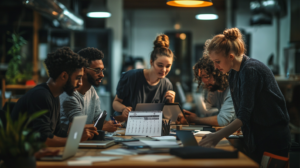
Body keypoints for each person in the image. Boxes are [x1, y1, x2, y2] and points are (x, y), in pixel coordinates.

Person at [198, 28, 291, 164]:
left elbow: (244, 116)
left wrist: (216, 136)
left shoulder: (250, 70)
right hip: (256, 137)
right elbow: (242, 112)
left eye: (217, 61)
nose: (216, 66)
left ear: (230, 56)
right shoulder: (234, 73)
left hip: (272, 138)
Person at [11, 47, 98, 147]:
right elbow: (44, 139)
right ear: (64, 76)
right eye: (78, 78)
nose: (81, 83)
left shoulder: (54, 95)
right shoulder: (40, 96)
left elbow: (57, 132)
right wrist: (76, 140)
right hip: (22, 159)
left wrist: (78, 133)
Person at [113, 34, 176, 121]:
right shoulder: (131, 77)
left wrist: (171, 103)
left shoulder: (167, 84)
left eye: (168, 66)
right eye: (160, 65)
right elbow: (115, 102)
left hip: (151, 127)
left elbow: (168, 118)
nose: (164, 70)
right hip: (126, 126)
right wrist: (124, 109)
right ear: (151, 62)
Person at [60, 47, 121, 133]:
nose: (102, 75)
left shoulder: (91, 90)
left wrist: (113, 123)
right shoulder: (70, 94)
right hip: (69, 143)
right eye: (97, 70)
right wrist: (103, 127)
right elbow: (78, 127)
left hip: (86, 140)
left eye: (102, 70)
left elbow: (98, 119)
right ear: (83, 70)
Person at [183, 56, 235, 126]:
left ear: (218, 73)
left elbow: (222, 120)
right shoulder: (213, 89)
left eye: (206, 76)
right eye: (201, 77)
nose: (204, 81)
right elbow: (209, 113)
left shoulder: (232, 90)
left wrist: (196, 119)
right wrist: (191, 117)